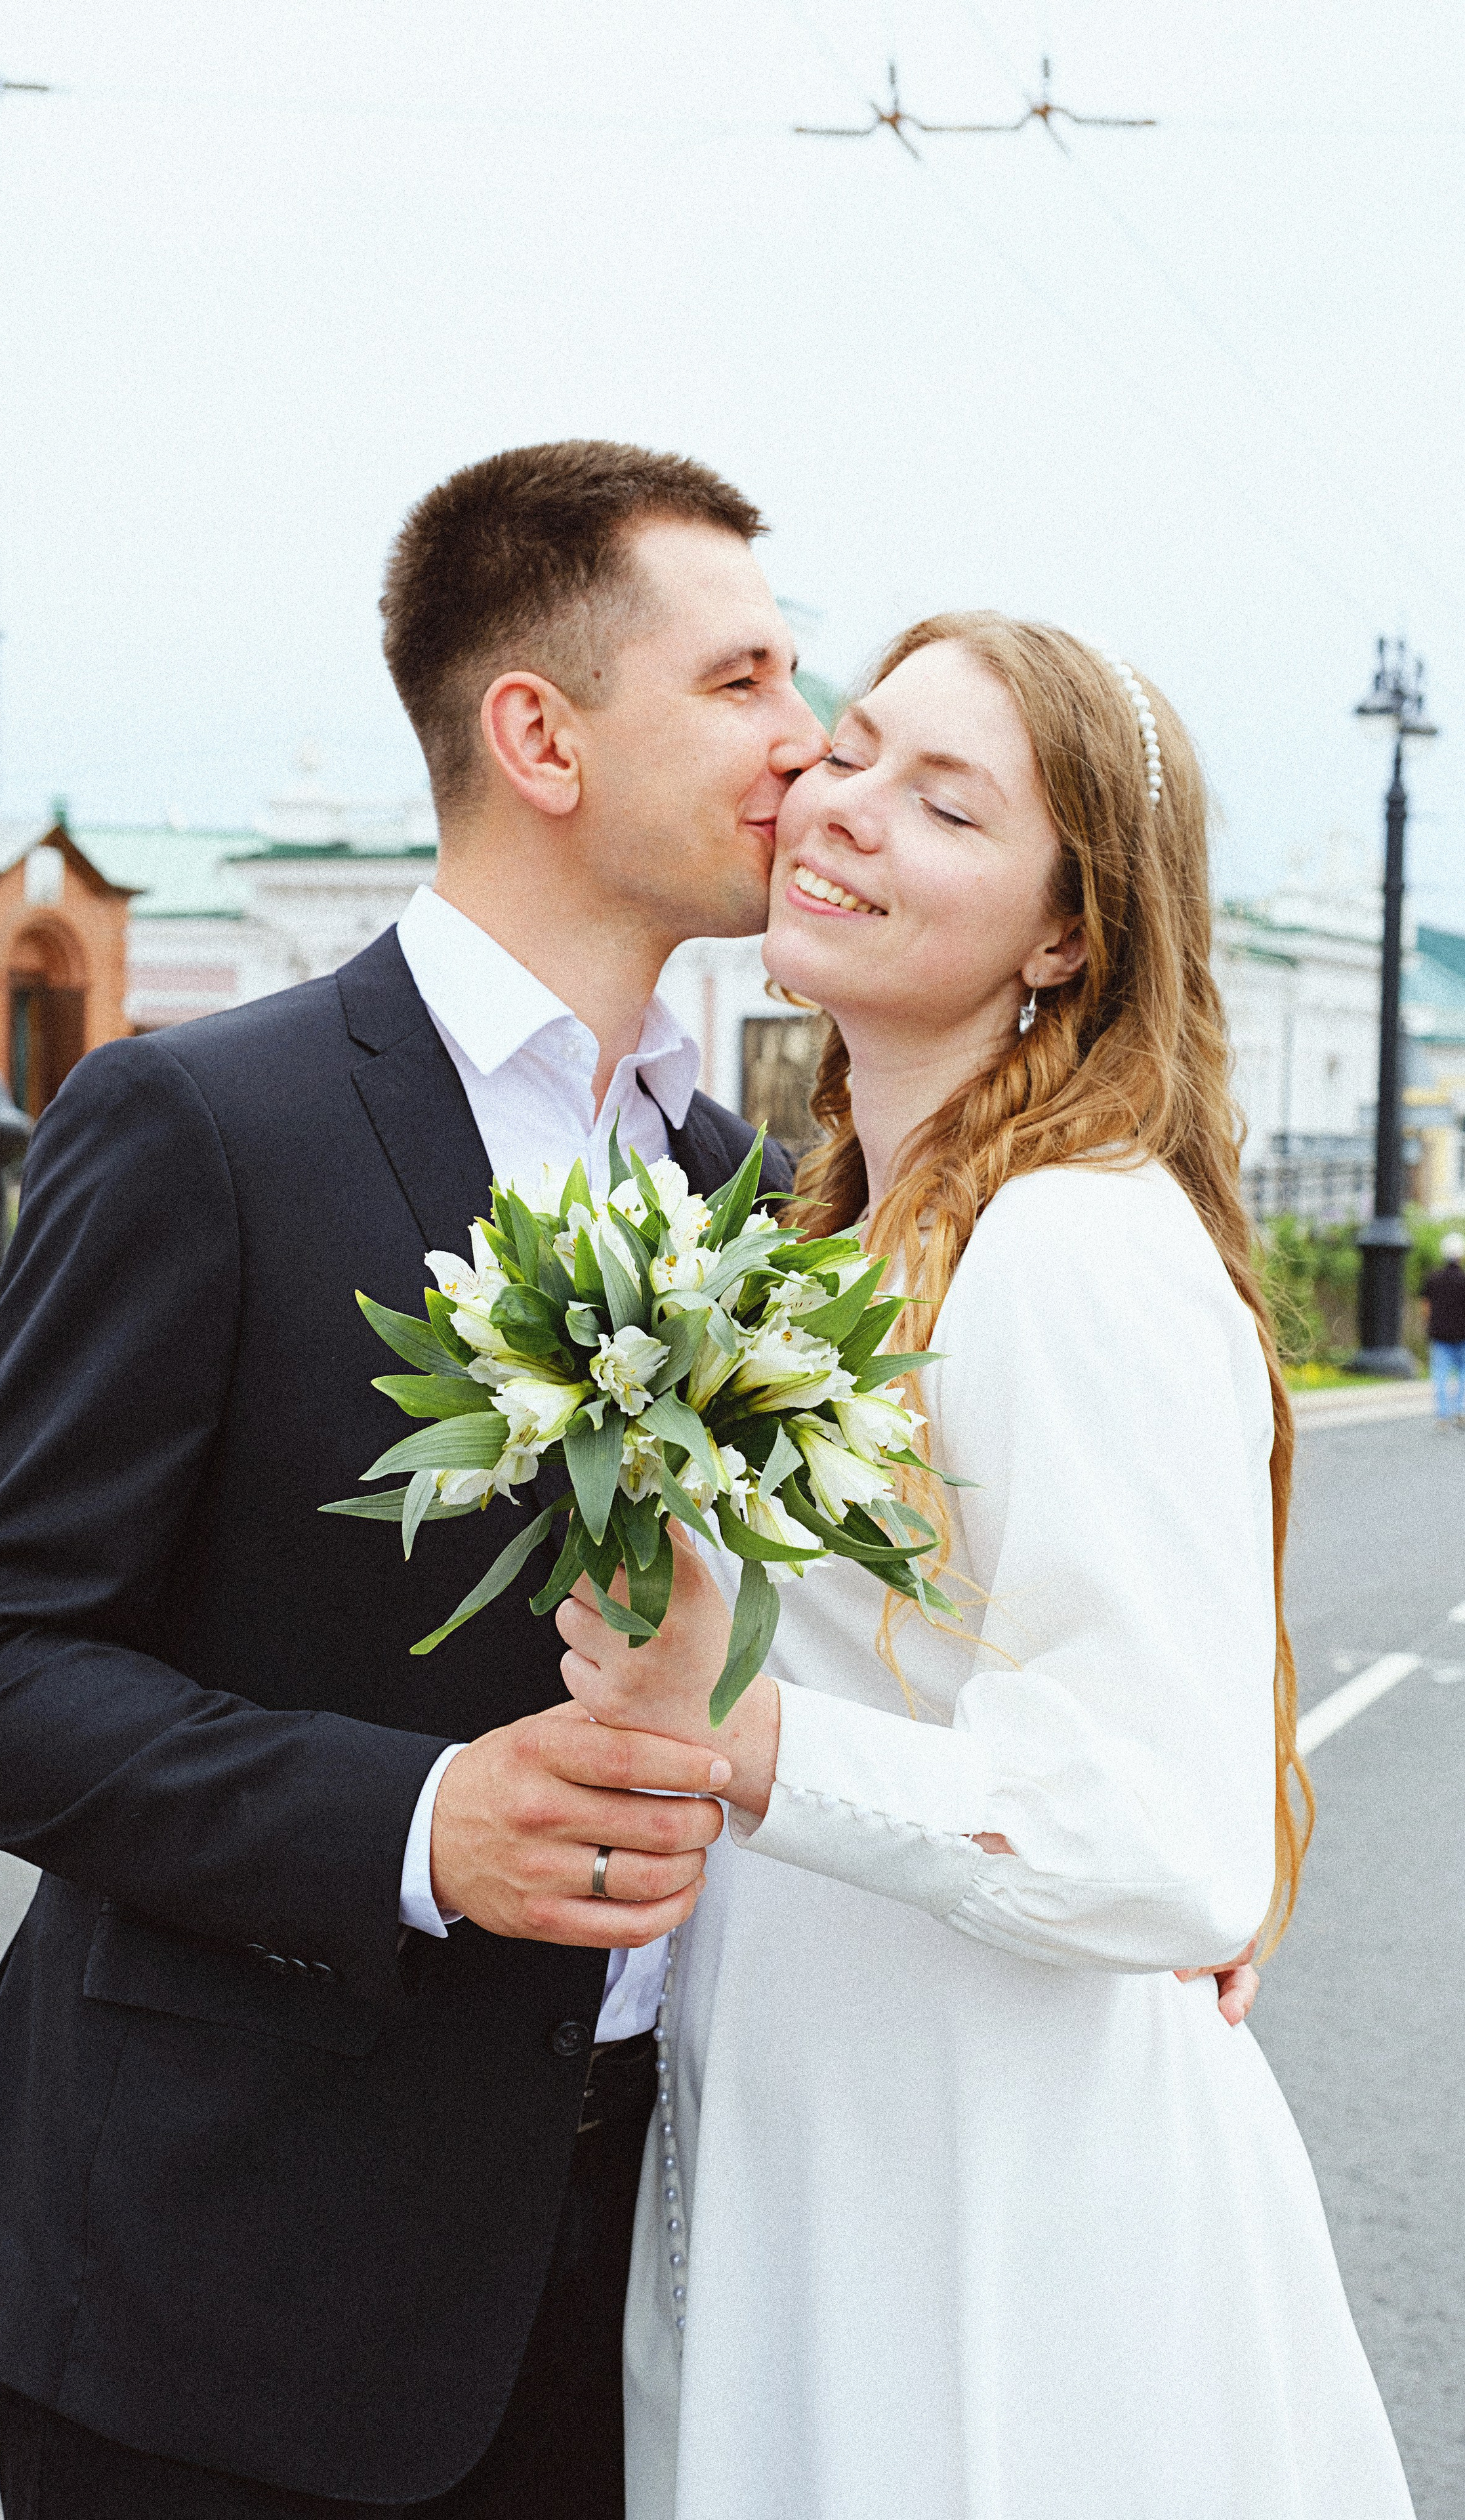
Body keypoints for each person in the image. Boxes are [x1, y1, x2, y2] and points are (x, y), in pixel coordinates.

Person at [0, 442, 825, 2519]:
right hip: (228, 2295)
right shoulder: (200, 1121)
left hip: (636, 2286)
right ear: (539, 733)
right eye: (747, 679)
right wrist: (415, 1819)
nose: (808, 740)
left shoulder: (733, 1190)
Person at [556, 614, 1414, 2517]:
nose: (841, 811)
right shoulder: (830, 1231)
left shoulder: (1072, 1245)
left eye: (943, 803)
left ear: (1066, 936)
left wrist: (744, 1735)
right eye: (851, 751)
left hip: (1000, 2210)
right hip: (835, 2144)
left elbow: (1173, 1841)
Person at [1421, 1229, 1465, 1420]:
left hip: (1439, 1335)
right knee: (1464, 1374)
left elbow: (1425, 1307)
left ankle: (1442, 1413)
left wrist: (1428, 1325)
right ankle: (1461, 1410)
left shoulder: (1433, 1278)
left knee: (1440, 1375)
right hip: (1463, 1334)